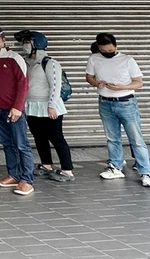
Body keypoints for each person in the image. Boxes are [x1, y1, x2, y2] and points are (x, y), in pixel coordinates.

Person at [85, 32, 150, 187]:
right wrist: (96, 83)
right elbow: (89, 77)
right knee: (112, 138)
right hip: (105, 103)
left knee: (136, 139)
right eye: (104, 51)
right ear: (98, 48)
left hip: (126, 102)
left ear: (116, 46)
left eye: (110, 51)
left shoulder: (127, 60)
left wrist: (123, 87)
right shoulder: (94, 58)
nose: (107, 53)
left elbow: (139, 82)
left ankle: (145, 172)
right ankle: (115, 167)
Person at [0, 26, 34, 196]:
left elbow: (23, 84)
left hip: (13, 110)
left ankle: (27, 180)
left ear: (3, 39)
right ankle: (14, 174)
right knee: (7, 143)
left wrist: (18, 107)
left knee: (21, 144)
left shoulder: (14, 58)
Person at [16, 30, 74, 182]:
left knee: (56, 137)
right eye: (24, 42)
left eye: (28, 42)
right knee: (39, 137)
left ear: (38, 44)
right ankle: (46, 165)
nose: (24, 45)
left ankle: (67, 170)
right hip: (32, 106)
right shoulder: (27, 62)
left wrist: (52, 105)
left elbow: (55, 85)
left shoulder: (50, 63)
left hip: (49, 106)